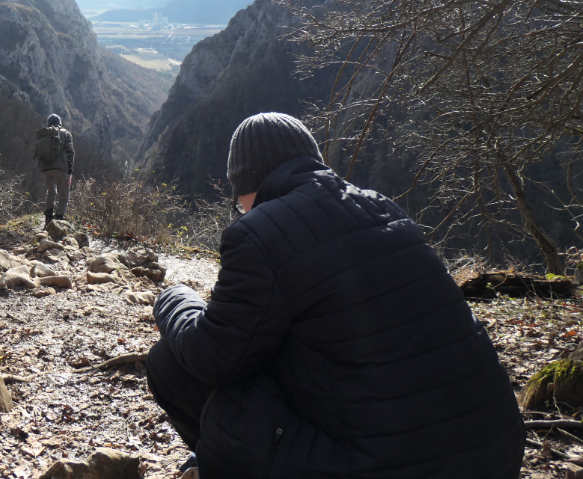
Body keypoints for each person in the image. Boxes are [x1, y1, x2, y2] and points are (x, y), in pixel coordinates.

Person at [147, 112, 524, 479]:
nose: (240, 210)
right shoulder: (383, 209)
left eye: (237, 200)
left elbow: (214, 357)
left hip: (381, 465)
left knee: (168, 361)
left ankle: (219, 461)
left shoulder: (259, 232)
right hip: (493, 454)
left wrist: (173, 298)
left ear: (249, 186)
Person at [35, 113, 74, 225]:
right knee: (64, 195)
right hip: (60, 167)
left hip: (45, 167)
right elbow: (70, 153)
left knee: (51, 191)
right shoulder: (66, 133)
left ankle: (48, 216)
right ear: (59, 123)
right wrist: (70, 171)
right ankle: (58, 219)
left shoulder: (43, 135)